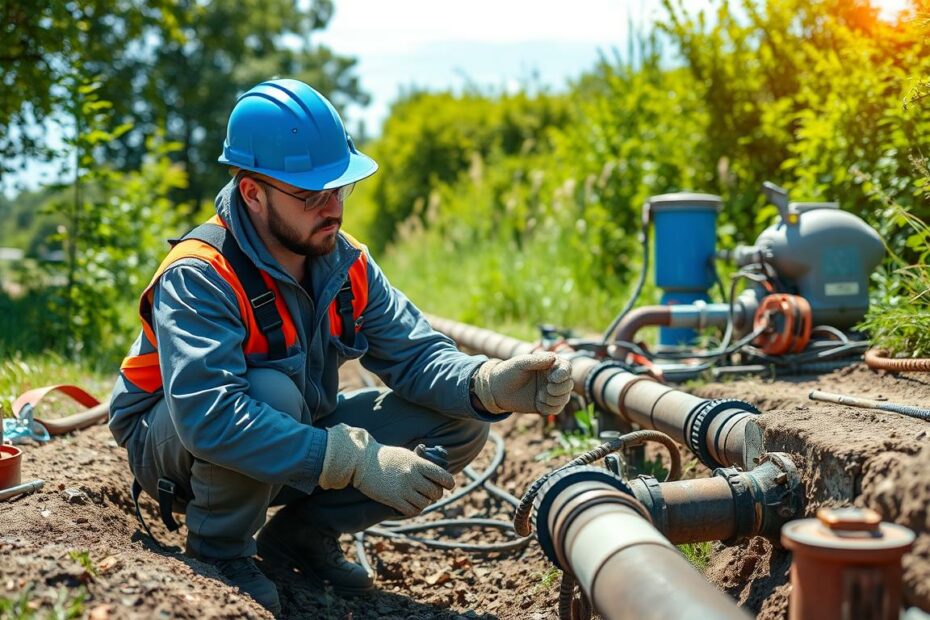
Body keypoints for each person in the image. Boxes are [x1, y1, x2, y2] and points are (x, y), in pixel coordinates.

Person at [108, 78, 573, 615]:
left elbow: (417, 354)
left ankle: (300, 538)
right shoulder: (201, 274)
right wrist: (352, 459)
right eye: (310, 195)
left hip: (291, 437)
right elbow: (208, 417)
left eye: (340, 189)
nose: (332, 208)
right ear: (252, 191)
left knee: (461, 417)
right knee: (270, 392)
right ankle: (221, 552)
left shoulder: (344, 261)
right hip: (178, 452)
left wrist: (485, 383)